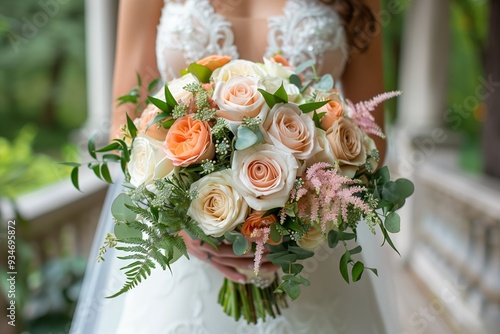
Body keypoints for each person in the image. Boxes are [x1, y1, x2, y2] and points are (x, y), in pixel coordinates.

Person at [71, 1, 400, 333]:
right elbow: (123, 124)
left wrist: (302, 215)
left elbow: (373, 137)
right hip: (185, 262)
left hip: (308, 252)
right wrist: (182, 225)